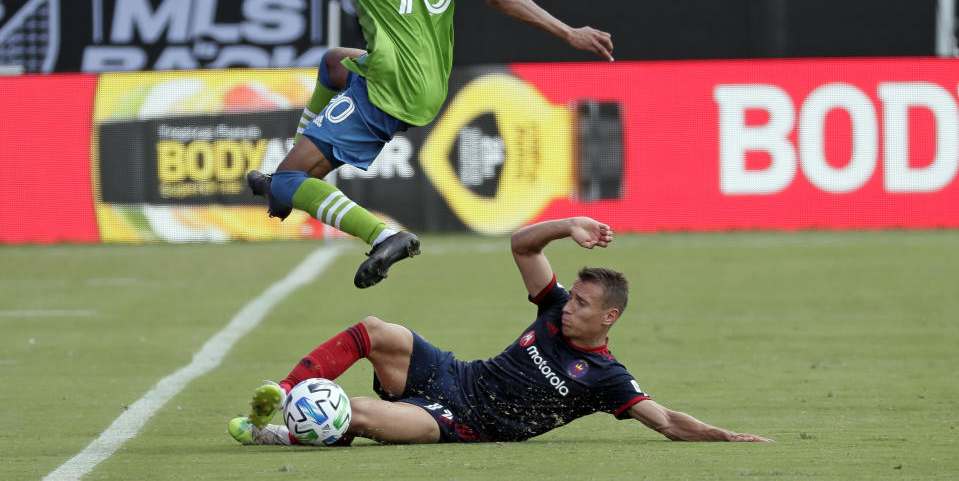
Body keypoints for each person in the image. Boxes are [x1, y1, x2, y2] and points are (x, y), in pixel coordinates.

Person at [168, 0, 615, 289]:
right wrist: (567, 31)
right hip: (430, 85)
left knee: (290, 180)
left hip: (388, 89)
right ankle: (283, 181)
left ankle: (380, 233)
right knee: (333, 63)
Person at [227, 217, 772, 446]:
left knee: (355, 412)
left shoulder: (608, 379)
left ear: (609, 318)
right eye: (571, 297)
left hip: (462, 422)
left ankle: (278, 434)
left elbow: (670, 422)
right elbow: (522, 246)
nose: (568, 308)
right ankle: (281, 391)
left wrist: (723, 436)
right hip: (455, 375)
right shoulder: (553, 309)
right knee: (376, 329)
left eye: (582, 304)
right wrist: (569, 225)